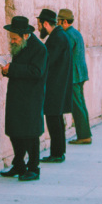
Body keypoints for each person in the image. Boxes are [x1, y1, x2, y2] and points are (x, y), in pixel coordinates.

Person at [1, 16, 47, 181]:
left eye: (15, 38)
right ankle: (19, 164)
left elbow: (36, 72)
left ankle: (34, 168)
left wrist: (11, 69)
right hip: (17, 96)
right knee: (15, 132)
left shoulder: (39, 49)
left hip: (30, 99)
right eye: (11, 38)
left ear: (25, 35)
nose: (12, 41)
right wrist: (7, 70)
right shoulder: (21, 45)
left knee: (30, 134)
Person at [37, 9, 73, 163]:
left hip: (55, 86)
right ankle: (59, 152)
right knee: (56, 119)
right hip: (58, 85)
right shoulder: (60, 36)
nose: (38, 28)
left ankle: (57, 153)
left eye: (39, 25)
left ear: (45, 24)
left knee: (54, 119)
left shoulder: (57, 38)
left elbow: (48, 61)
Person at [58, 9, 92, 145]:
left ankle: (84, 136)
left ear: (64, 21)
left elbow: (65, 54)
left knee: (77, 106)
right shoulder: (75, 33)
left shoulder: (68, 35)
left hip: (74, 75)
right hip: (80, 74)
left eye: (58, 22)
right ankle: (85, 133)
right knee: (80, 105)